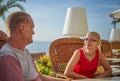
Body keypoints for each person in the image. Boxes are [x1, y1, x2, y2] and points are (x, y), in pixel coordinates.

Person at [0, 11, 70, 81]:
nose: (33, 32)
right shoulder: (8, 57)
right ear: (22, 28)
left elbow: (38, 76)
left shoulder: (25, 51)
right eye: (32, 28)